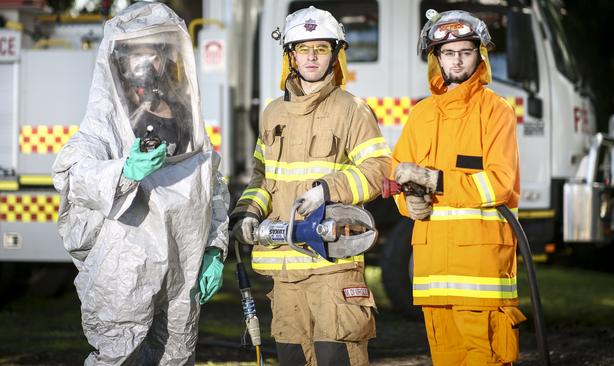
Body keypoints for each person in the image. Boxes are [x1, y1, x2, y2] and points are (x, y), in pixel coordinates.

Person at [51, 3, 229, 365]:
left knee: (176, 355)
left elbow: (211, 184)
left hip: (183, 264)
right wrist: (123, 171)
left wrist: (214, 247)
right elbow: (72, 172)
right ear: (120, 59)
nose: (145, 64)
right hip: (126, 269)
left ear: (166, 59)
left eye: (154, 53)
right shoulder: (108, 120)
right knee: (118, 356)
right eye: (137, 54)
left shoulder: (184, 116)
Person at [230, 6, 391, 366]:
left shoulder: (353, 110)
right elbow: (262, 176)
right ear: (291, 56)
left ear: (335, 54)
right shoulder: (273, 113)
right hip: (284, 272)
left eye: (321, 48)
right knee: (291, 359)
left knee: (336, 356)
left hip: (332, 265)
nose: (312, 57)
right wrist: (247, 213)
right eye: (303, 49)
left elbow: (379, 169)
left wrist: (328, 190)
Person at [391, 9, 527, 366]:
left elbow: (498, 184)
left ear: (479, 56)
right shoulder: (421, 114)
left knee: (485, 357)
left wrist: (433, 181)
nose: (457, 59)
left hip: (480, 271)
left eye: (465, 51)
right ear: (436, 58)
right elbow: (397, 174)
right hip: (432, 272)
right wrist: (409, 204)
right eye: (448, 53)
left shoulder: (496, 111)